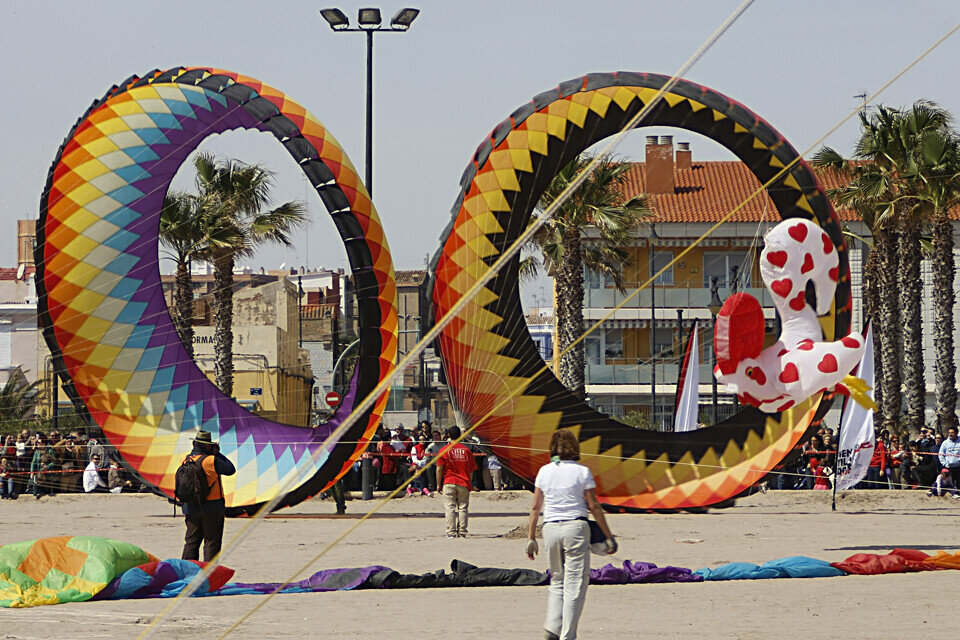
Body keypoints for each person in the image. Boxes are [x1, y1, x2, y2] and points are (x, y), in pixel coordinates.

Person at [525, 429, 616, 640]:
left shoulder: (544, 471)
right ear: (574, 447)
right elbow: (593, 506)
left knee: (557, 580)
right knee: (575, 583)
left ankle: (552, 627)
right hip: (575, 527)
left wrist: (531, 538)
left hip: (550, 528)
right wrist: (608, 536)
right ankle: (568, 635)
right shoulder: (582, 472)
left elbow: (535, 507)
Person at [181, 430, 236, 562]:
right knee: (211, 542)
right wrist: (217, 452)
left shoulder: (185, 459)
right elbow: (230, 469)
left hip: (191, 506)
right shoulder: (211, 460)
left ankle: (187, 572)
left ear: (194, 443)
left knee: (191, 542)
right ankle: (209, 574)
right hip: (212, 506)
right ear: (208, 445)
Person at [436, 426, 477, 538]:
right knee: (463, 507)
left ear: (448, 435)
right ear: (460, 435)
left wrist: (438, 484)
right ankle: (462, 531)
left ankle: (451, 532)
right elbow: (471, 469)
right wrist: (470, 482)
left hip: (449, 482)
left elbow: (439, 468)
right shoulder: (466, 450)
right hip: (463, 482)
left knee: (450, 507)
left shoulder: (443, 450)